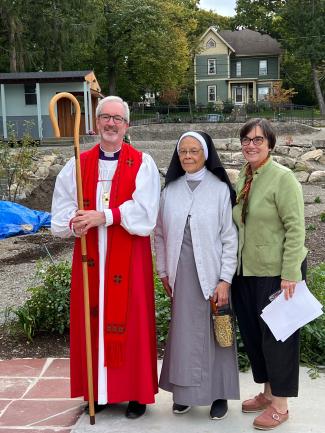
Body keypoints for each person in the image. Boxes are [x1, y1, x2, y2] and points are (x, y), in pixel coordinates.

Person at [51, 95, 160, 419]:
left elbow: (145, 213)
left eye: (118, 119)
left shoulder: (142, 163)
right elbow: (58, 217)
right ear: (96, 123)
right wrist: (77, 221)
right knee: (92, 323)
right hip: (90, 261)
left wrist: (106, 216)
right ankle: (98, 392)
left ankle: (136, 394)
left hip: (129, 260)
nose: (111, 123)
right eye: (105, 117)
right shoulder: (76, 164)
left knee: (133, 323)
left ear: (127, 125)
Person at [154, 131, 239, 420]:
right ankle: (184, 395)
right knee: (184, 336)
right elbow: (160, 234)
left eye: (194, 151)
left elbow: (229, 237)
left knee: (217, 335)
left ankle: (219, 395)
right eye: (183, 152)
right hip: (181, 275)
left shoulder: (218, 189)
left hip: (213, 274)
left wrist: (225, 279)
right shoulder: (170, 191)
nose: (188, 156)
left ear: (205, 154)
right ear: (177, 156)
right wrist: (163, 270)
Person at [232, 118, 307, 430]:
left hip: (278, 273)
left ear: (271, 145)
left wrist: (290, 273)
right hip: (247, 271)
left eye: (258, 140)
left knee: (279, 339)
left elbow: (295, 227)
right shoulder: (245, 177)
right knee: (255, 337)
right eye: (247, 139)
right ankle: (267, 393)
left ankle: (281, 405)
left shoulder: (283, 178)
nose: (251, 144)